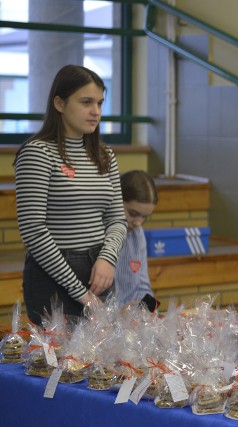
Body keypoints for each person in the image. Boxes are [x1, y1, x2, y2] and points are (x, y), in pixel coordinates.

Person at [14, 64, 127, 325]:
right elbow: (33, 230)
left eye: (100, 102)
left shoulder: (105, 154)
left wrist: (107, 259)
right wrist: (80, 293)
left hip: (99, 269)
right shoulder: (38, 153)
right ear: (59, 103)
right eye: (86, 102)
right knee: (59, 363)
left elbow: (117, 219)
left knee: (100, 362)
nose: (96, 111)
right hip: (54, 272)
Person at [114, 169, 160, 312]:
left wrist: (147, 310)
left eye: (145, 217)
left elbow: (142, 286)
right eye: (133, 214)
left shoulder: (137, 234)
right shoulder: (94, 233)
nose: (138, 223)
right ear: (116, 200)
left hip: (128, 323)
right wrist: (116, 313)